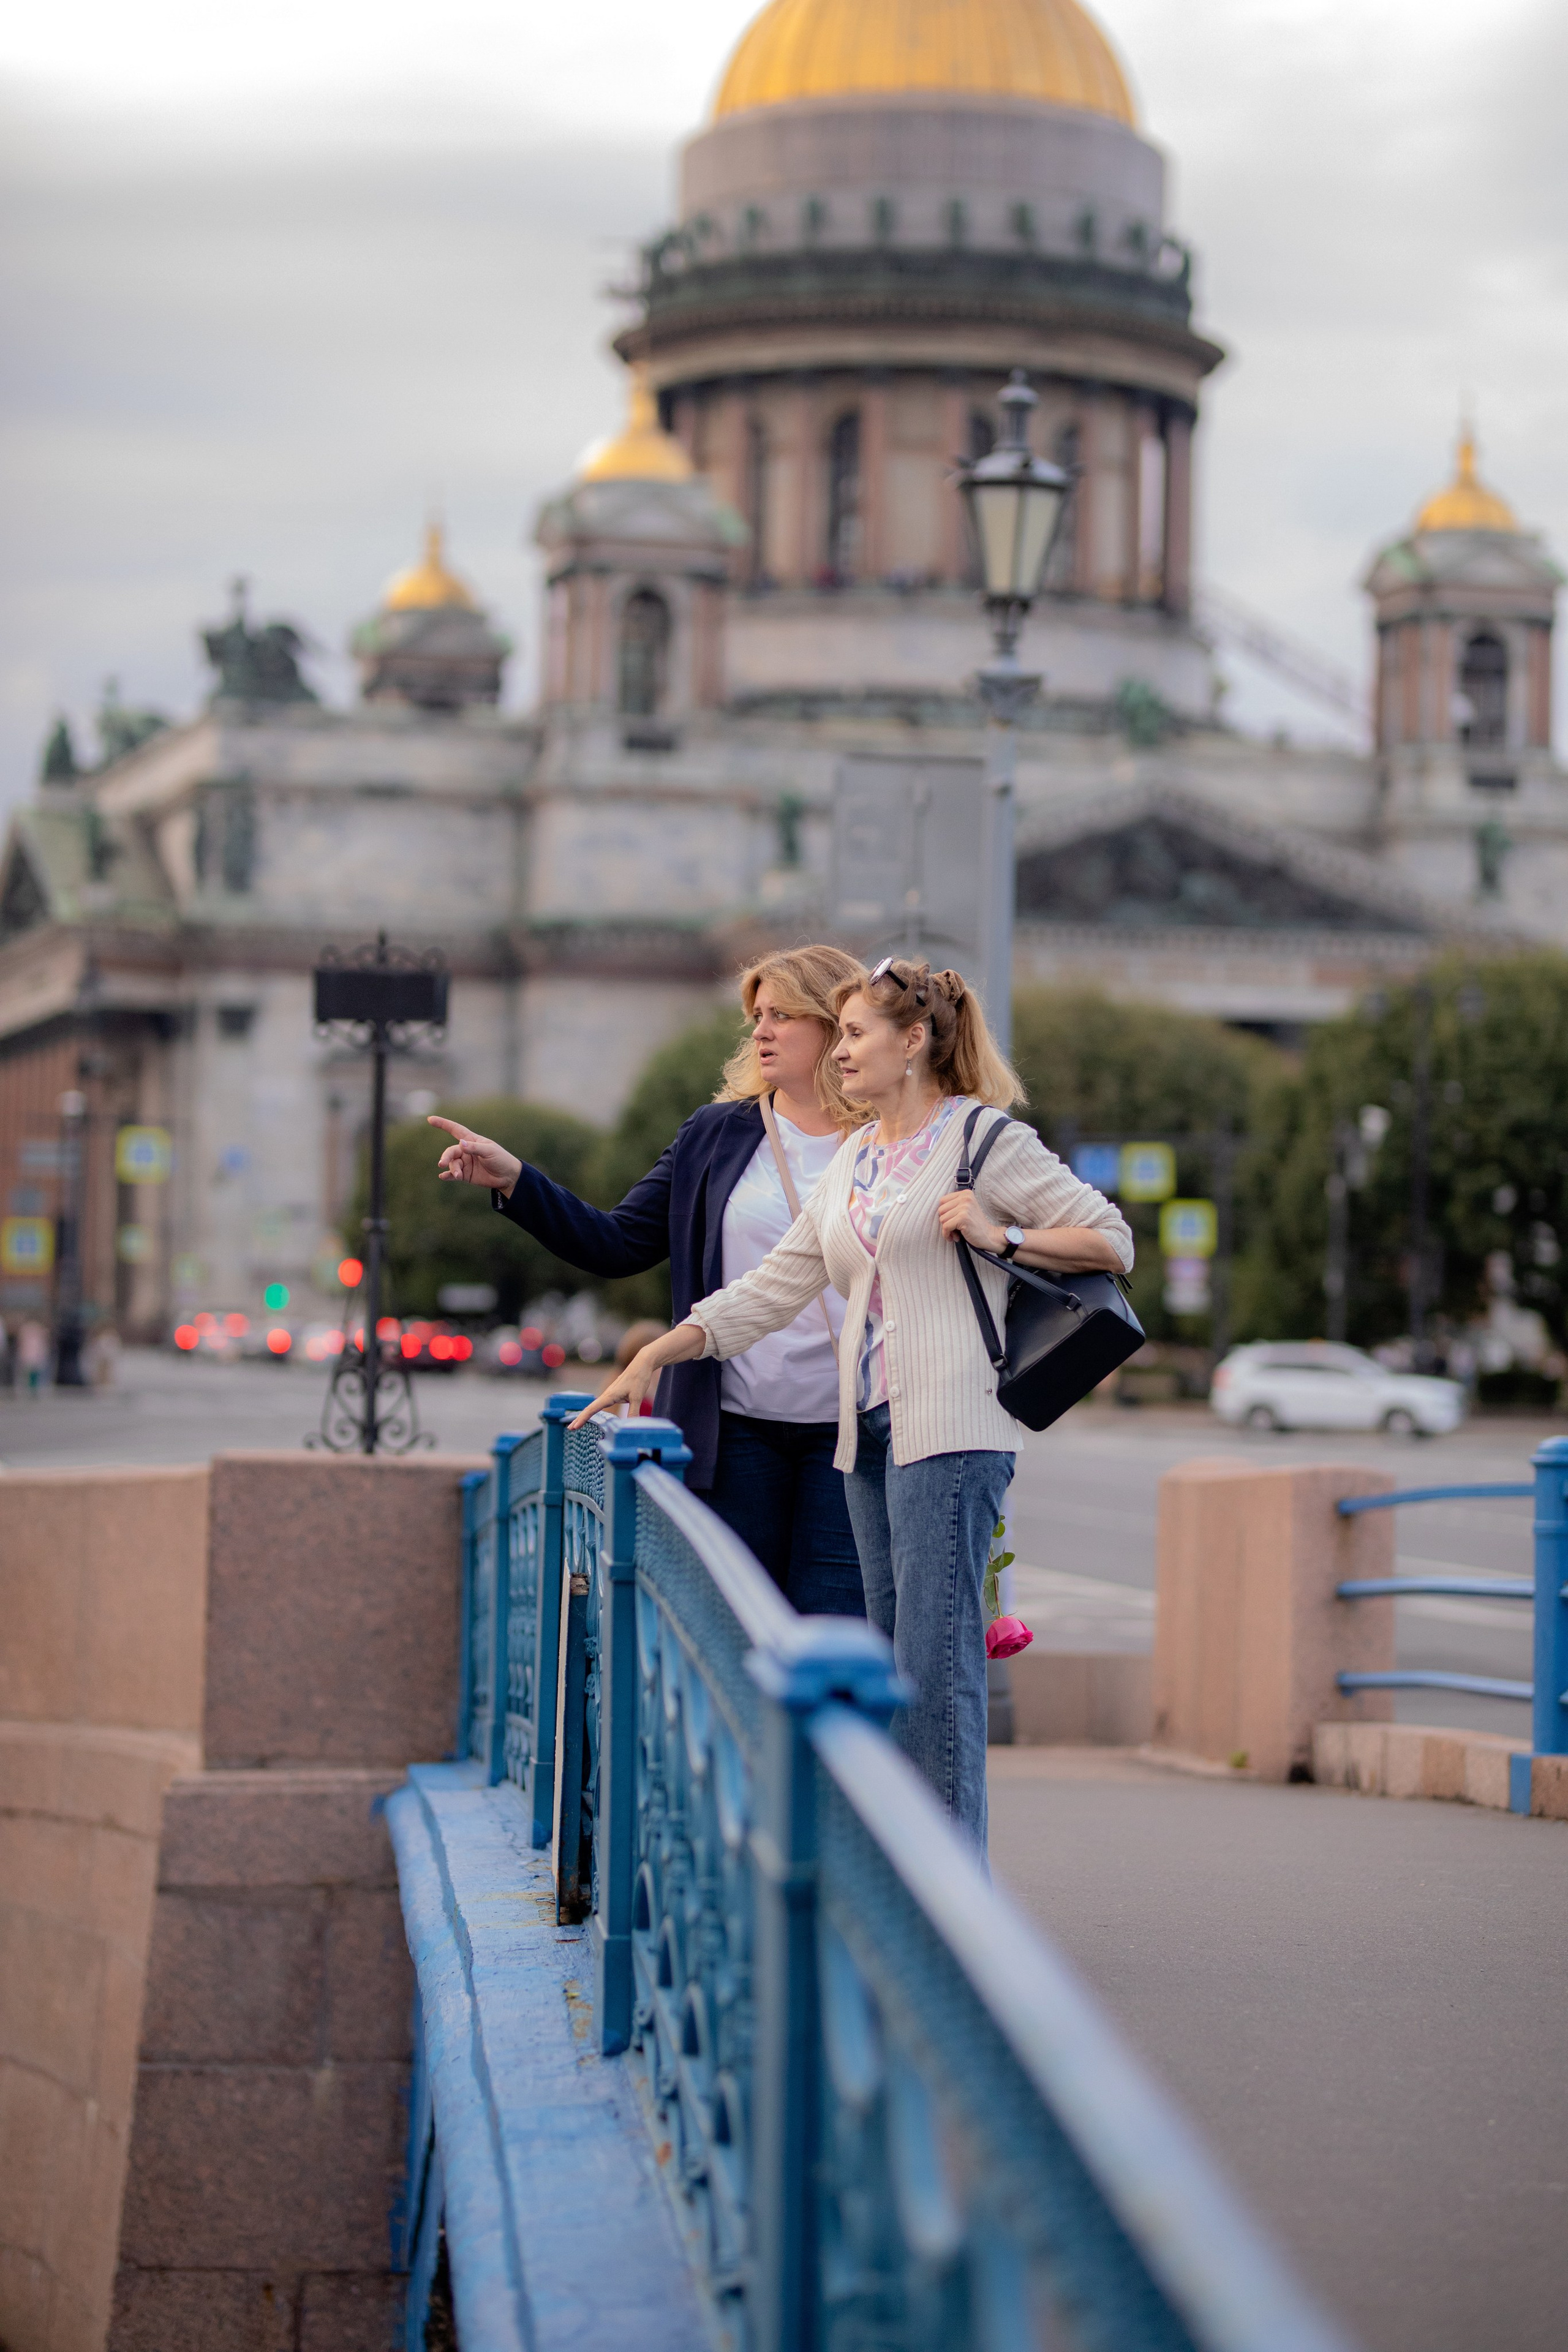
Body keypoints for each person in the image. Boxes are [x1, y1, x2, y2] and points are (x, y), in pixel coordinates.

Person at [571, 957, 1133, 1849]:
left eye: (858, 1035)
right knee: (893, 1662)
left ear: (913, 1042)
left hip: (950, 1432)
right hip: (866, 1434)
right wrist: (662, 1353)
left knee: (937, 1670)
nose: (842, 1053)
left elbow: (1111, 1239)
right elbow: (776, 1284)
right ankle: (904, 1874)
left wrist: (1001, 1233)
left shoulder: (982, 1140)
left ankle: (950, 1906)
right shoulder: (861, 1157)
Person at [429, 945, 869, 1616]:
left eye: (783, 1015)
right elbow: (617, 1243)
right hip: (735, 1430)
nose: (761, 1031)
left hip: (852, 1432)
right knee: (733, 1637)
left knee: (832, 1632)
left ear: (834, 1025)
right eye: (756, 1016)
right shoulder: (715, 1134)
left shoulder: (889, 1138)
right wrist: (517, 1179)